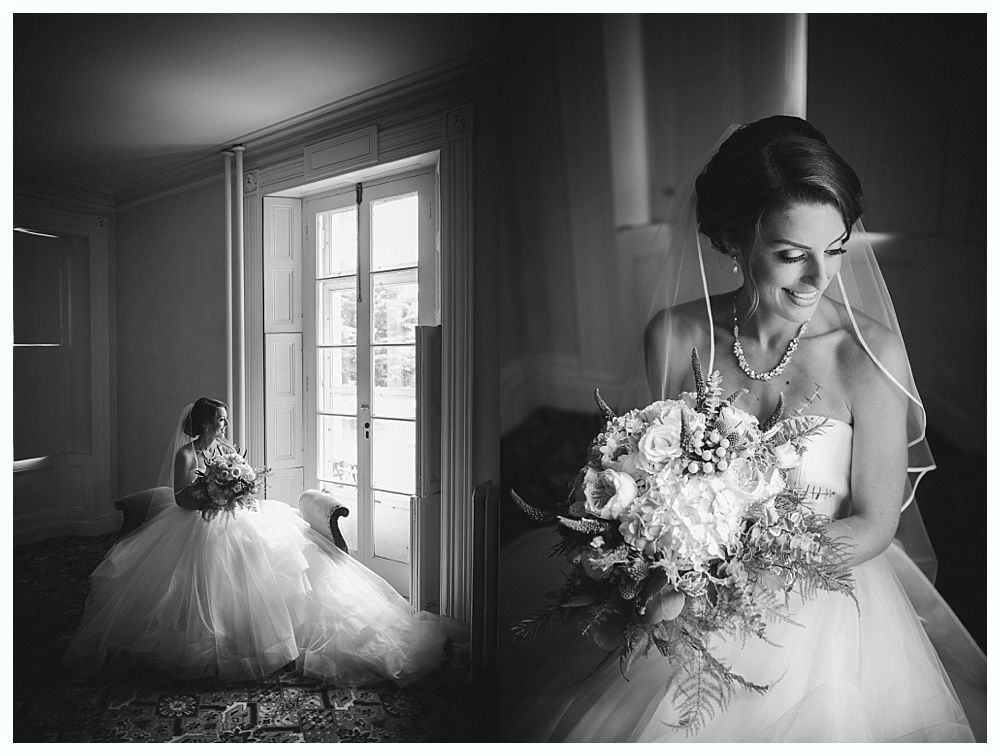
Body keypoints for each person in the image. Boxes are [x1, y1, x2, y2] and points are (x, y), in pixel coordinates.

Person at [502, 116, 985, 741]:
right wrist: (662, 551)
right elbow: (649, 471)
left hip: (822, 596)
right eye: (791, 256)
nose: (819, 279)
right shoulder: (674, 336)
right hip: (686, 593)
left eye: (835, 250)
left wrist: (744, 570)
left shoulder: (867, 355)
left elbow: (874, 521)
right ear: (733, 241)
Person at [64, 397, 446, 686]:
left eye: (226, 419)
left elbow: (244, 478)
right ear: (202, 422)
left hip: (236, 516)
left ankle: (271, 631)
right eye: (219, 419)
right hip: (197, 523)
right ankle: (216, 639)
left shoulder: (227, 449)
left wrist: (234, 491)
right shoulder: (186, 454)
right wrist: (214, 494)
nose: (225, 425)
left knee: (272, 566)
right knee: (203, 585)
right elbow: (181, 496)